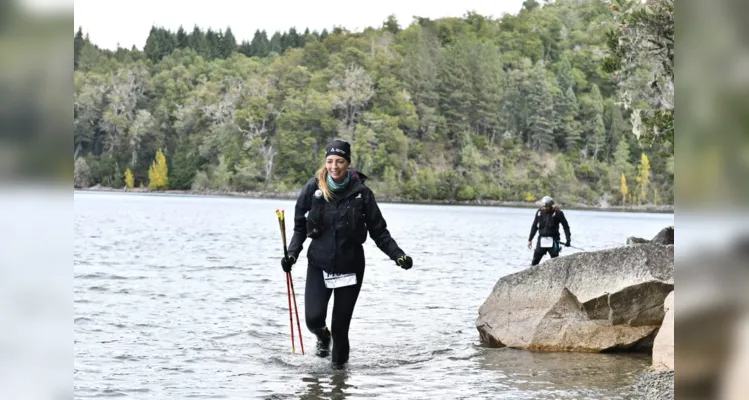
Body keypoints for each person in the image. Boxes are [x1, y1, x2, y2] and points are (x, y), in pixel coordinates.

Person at [280, 139, 413, 367]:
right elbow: (300, 227)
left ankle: (339, 380)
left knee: (341, 329)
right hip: (319, 264)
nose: (334, 166)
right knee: (313, 320)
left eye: (339, 161)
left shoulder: (362, 194)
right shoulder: (313, 189)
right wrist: (292, 253)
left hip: (350, 268)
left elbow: (379, 232)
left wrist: (398, 255)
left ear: (348, 163)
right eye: (330, 161)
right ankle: (323, 337)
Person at [527, 196, 571, 266]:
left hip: (553, 241)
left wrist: (568, 240)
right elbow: (534, 226)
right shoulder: (539, 212)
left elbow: (566, 227)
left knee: (555, 263)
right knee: (534, 262)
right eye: (543, 206)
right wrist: (530, 240)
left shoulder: (558, 213)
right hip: (541, 240)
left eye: (546, 206)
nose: (544, 208)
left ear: (550, 206)